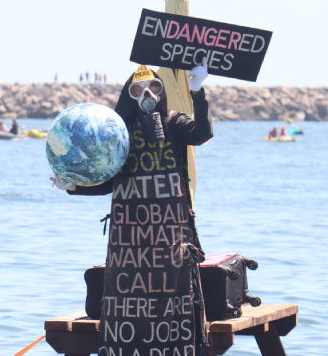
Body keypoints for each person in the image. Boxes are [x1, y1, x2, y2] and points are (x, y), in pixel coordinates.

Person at [51, 61, 213, 356]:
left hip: (170, 234)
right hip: (129, 239)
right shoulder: (118, 135)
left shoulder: (174, 123)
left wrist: (197, 92)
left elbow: (202, 134)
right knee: (126, 300)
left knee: (174, 298)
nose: (147, 93)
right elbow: (108, 182)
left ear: (162, 92)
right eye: (138, 89)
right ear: (130, 94)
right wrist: (73, 185)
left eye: (154, 86)